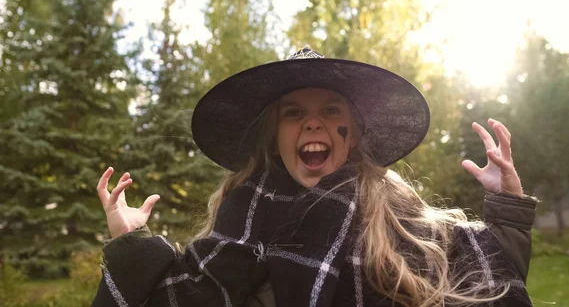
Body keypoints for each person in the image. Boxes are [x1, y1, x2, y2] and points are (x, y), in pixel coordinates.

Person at [92, 48, 538, 307]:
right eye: (294, 114)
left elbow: (486, 279)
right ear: (273, 136)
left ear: (354, 133)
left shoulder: (400, 219)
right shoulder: (236, 223)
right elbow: (176, 295)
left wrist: (508, 215)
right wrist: (131, 244)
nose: (312, 124)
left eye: (330, 110)